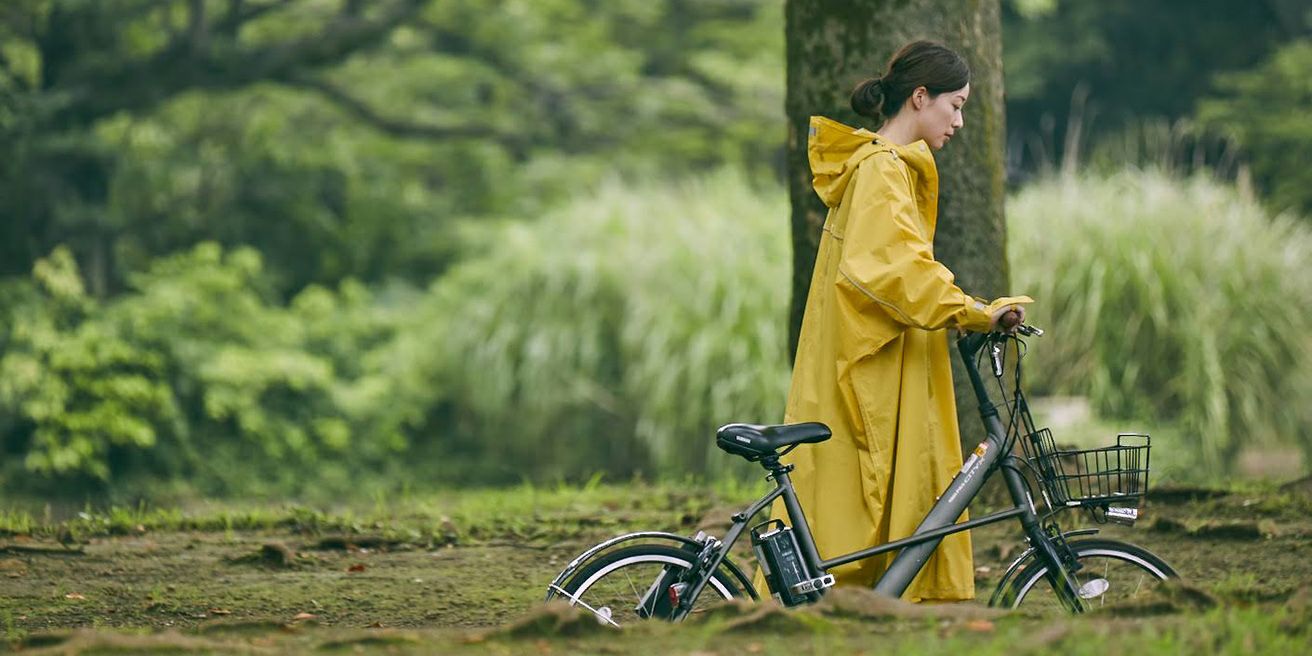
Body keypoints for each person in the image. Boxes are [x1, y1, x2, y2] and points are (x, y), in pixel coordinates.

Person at [757, 41, 1031, 602]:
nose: (959, 120)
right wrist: (974, 311)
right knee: (870, 480)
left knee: (872, 482)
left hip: (879, 349)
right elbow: (894, 272)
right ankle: (848, 604)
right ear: (920, 97)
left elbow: (897, 267)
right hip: (873, 359)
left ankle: (860, 603)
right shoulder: (882, 170)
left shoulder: (881, 166)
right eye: (954, 105)